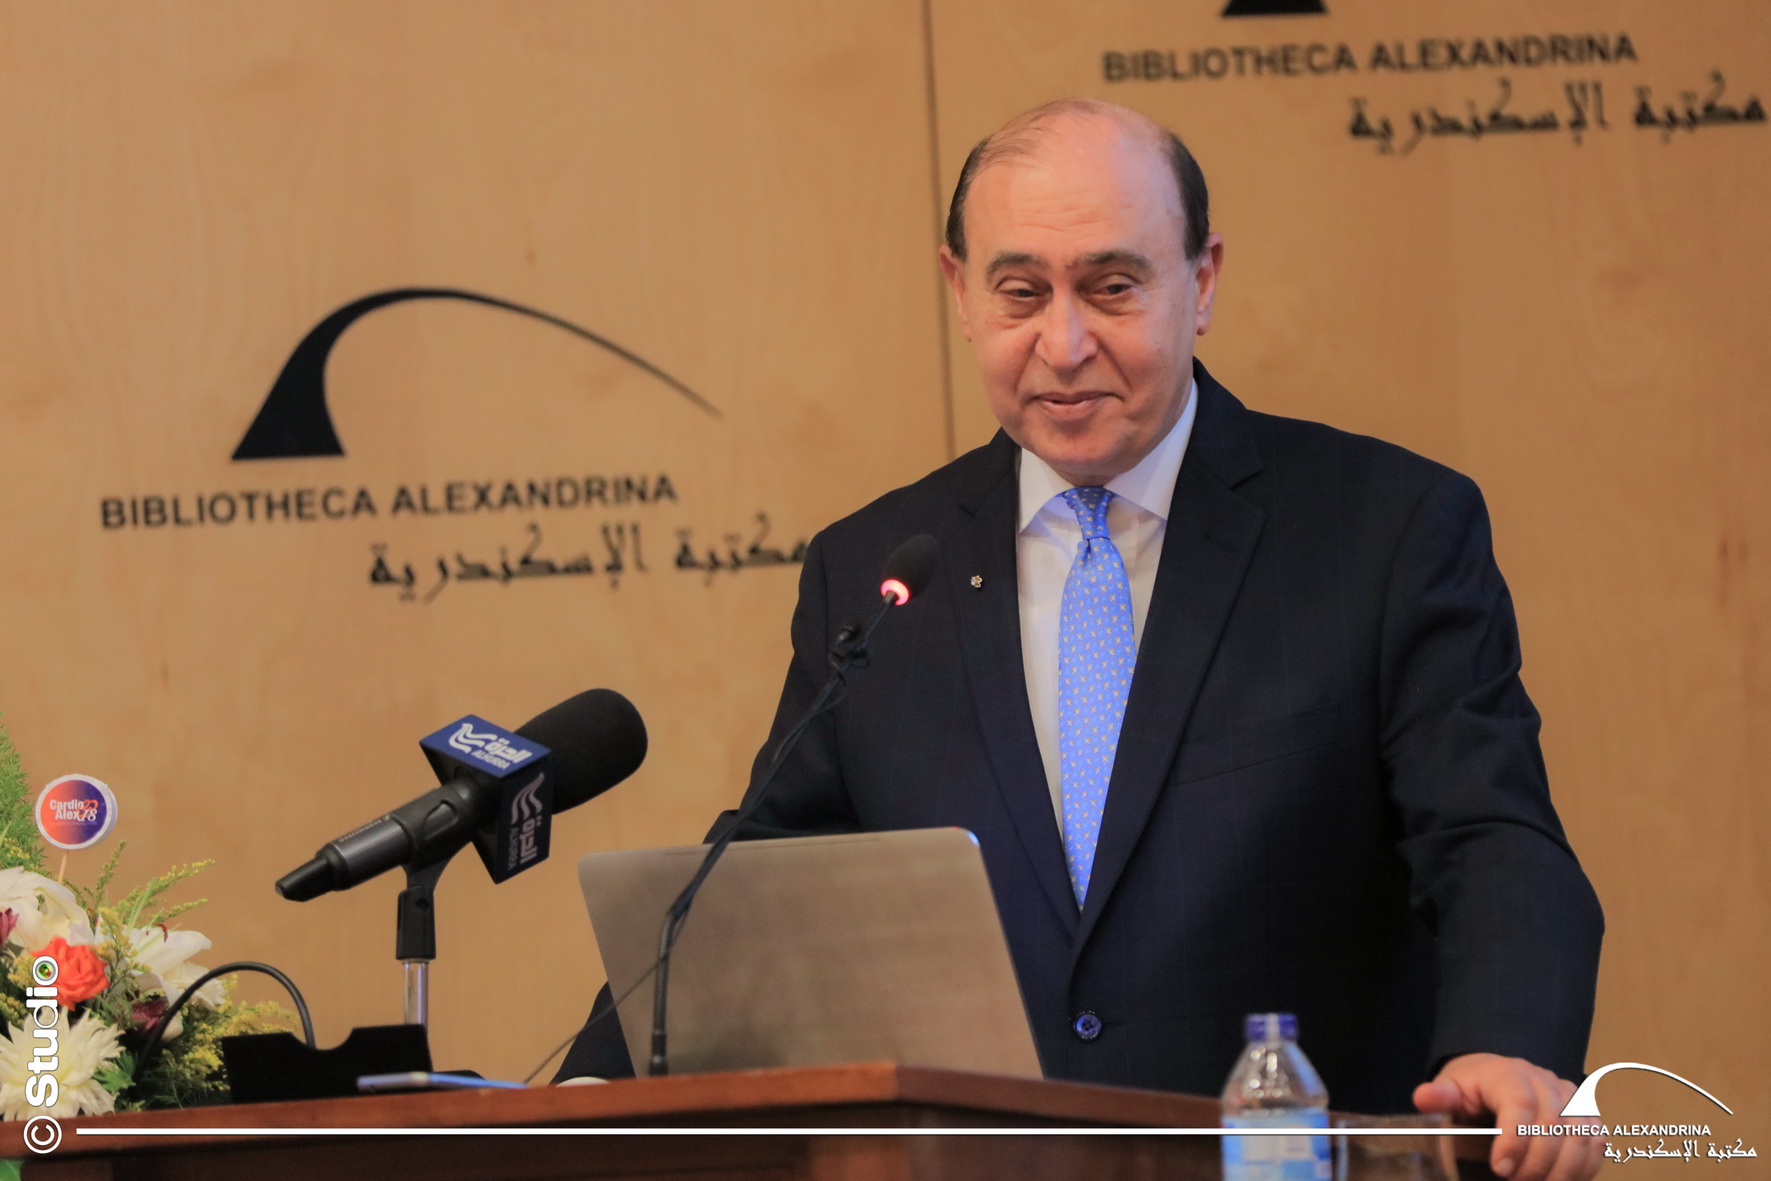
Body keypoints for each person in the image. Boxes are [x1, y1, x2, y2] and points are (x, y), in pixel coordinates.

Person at [559, 99, 1604, 1181]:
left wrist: (1508, 1041)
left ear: (1201, 281)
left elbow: (1489, 833)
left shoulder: (1382, 528)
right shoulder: (873, 568)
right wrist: (594, 1089)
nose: (1062, 346)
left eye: (1111, 287)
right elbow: (761, 874)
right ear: (960, 291)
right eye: (1020, 292)